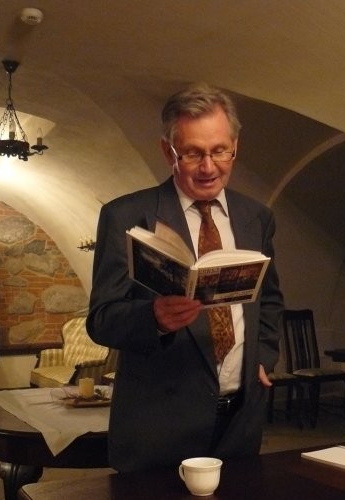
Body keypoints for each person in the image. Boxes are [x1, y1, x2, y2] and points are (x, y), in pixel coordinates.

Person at [87, 83, 285, 472]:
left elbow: (270, 298)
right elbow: (101, 319)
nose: (208, 167)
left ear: (235, 147)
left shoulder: (257, 217)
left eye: (220, 151)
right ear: (168, 152)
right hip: (159, 423)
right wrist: (153, 318)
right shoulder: (126, 215)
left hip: (240, 422)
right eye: (193, 153)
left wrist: (263, 358)